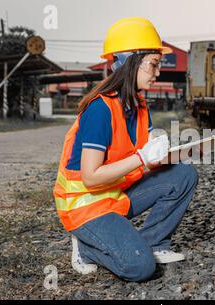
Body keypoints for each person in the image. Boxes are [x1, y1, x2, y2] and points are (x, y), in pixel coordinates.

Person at [53, 17, 199, 282]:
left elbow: (151, 160)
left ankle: (152, 244)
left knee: (184, 174)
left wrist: (186, 151)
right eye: (153, 65)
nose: (158, 73)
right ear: (129, 62)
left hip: (115, 194)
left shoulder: (139, 106)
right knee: (140, 268)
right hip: (86, 208)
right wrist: (142, 157)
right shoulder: (100, 109)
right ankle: (88, 248)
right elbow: (91, 177)